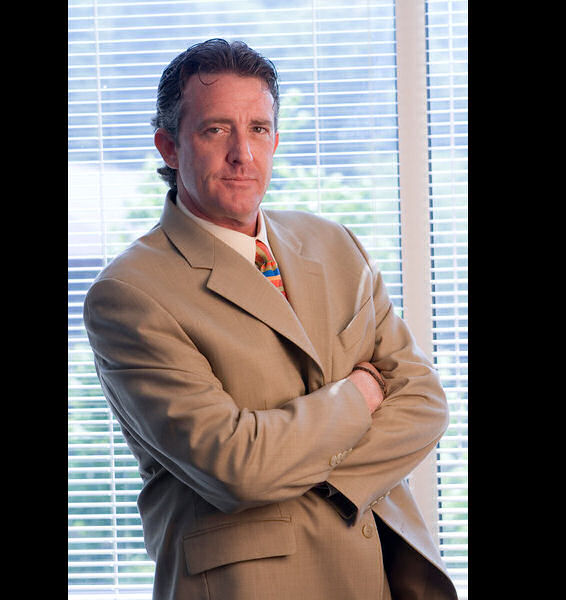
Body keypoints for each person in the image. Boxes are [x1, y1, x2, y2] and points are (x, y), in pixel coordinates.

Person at [83, 38, 458, 600]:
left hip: (385, 576)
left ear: (276, 140)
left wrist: (311, 471)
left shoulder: (335, 243)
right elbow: (238, 467)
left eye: (258, 128)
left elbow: (424, 401)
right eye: (216, 130)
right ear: (168, 146)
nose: (243, 153)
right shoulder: (129, 294)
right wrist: (361, 394)